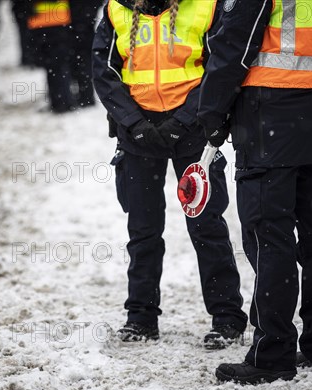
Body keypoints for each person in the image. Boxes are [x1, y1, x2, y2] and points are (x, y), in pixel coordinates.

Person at [197, 0, 312, 384]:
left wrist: (211, 113)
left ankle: (272, 354)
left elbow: (235, 42)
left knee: (269, 236)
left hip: (269, 114)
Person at [92, 0, 248, 347]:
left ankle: (227, 319)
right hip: (137, 135)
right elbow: (104, 73)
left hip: (192, 132)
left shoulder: (206, 6)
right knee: (143, 231)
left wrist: (186, 120)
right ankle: (141, 318)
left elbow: (218, 68)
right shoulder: (116, 10)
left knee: (207, 227)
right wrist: (135, 124)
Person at [26, 0, 76, 113]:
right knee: (57, 65)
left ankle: (61, 103)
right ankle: (62, 101)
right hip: (57, 21)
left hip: (45, 23)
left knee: (55, 66)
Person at [68, 0, 104, 107]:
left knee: (81, 63)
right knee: (83, 63)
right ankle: (86, 97)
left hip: (78, 27)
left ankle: (85, 97)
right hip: (84, 26)